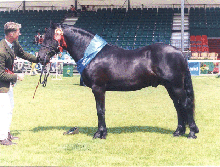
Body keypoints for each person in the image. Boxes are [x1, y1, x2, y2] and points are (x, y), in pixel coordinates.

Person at [0, 22, 39, 145]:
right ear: (11, 34)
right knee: (4, 110)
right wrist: (16, 76)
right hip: (1, 85)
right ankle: (2, 138)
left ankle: (6, 133)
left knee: (9, 108)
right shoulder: (1, 50)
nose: (20, 33)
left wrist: (39, 60)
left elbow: (23, 54)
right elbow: (0, 74)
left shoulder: (14, 44)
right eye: (18, 31)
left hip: (8, 83)